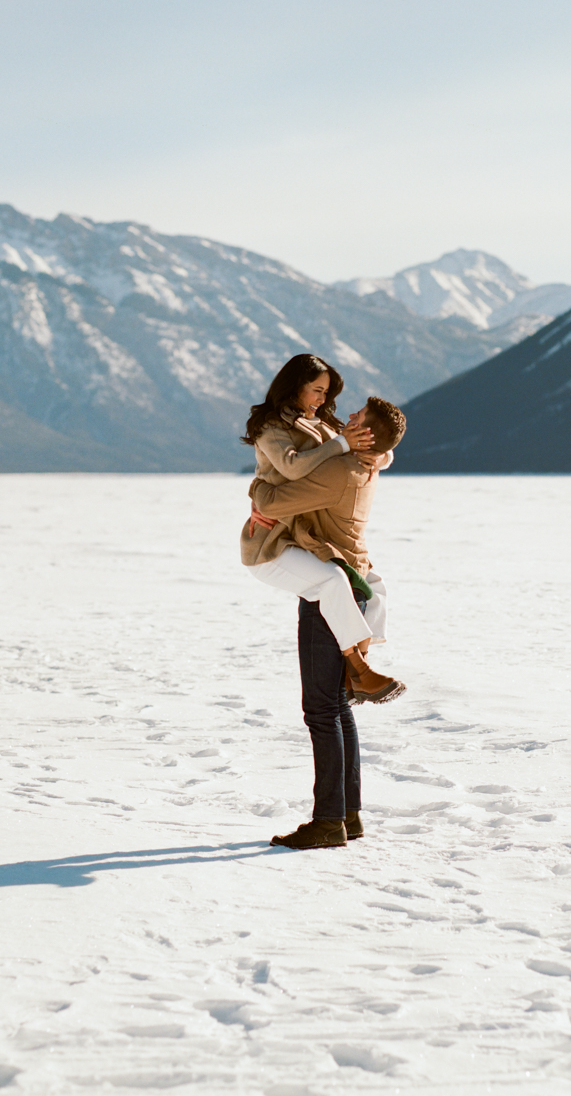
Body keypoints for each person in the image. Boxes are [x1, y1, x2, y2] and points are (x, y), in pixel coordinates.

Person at [246, 393, 408, 850]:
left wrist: (256, 487)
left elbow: (276, 500)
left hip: (330, 587)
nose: (347, 420)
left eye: (357, 419)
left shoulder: (340, 470)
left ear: (368, 436)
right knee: (337, 708)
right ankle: (348, 815)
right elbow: (383, 450)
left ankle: (328, 822)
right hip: (352, 580)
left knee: (320, 710)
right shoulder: (370, 463)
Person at [240, 354, 402, 698]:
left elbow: (367, 442)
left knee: (375, 588)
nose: (323, 400)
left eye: (327, 393)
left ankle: (359, 667)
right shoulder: (272, 426)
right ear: (295, 387)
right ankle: (358, 669)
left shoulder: (320, 421)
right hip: (273, 535)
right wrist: (343, 444)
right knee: (332, 582)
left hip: (306, 535)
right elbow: (295, 468)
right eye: (317, 390)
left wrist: (381, 455)